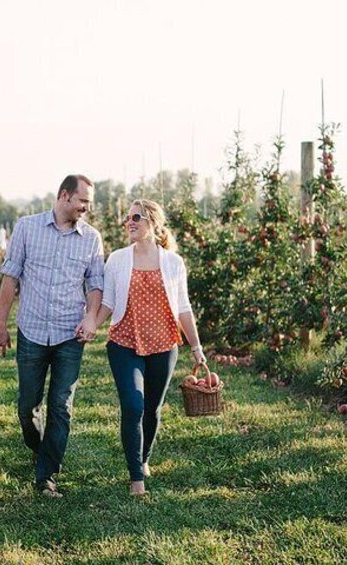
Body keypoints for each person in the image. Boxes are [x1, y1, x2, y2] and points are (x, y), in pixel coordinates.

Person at [0, 174, 104, 498]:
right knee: (28, 406)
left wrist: (91, 318)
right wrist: (1, 324)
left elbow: (95, 283)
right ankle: (41, 449)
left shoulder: (92, 238)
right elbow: (11, 279)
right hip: (33, 330)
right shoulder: (27, 228)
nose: (87, 207)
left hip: (71, 333)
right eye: (83, 201)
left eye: (89, 202)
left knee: (61, 406)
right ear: (64, 195)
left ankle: (46, 476)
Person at [93, 199, 207, 496]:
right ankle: (136, 479)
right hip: (124, 343)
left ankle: (143, 459)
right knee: (133, 406)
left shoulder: (173, 262)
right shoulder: (117, 259)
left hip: (163, 345)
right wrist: (91, 322)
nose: (129, 222)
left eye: (136, 217)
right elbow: (108, 301)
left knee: (152, 409)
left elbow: (183, 307)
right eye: (127, 218)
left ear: (153, 223)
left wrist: (196, 346)